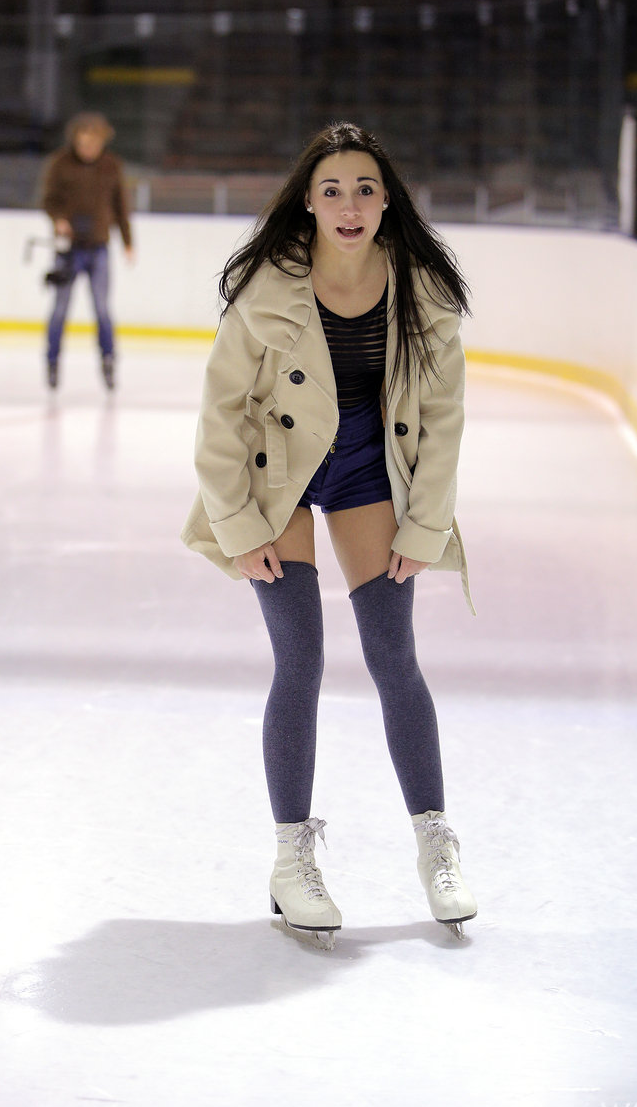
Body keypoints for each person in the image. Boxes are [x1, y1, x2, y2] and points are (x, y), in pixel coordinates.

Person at [181, 122, 477, 948]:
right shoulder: (267, 291)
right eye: (333, 190)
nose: (350, 205)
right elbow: (220, 415)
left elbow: (444, 419)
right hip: (277, 473)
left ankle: (436, 843)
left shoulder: (421, 292)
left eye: (366, 190)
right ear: (309, 202)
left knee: (392, 655)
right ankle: (292, 859)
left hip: (367, 470)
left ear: (387, 203)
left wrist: (426, 520)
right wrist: (238, 522)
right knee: (301, 657)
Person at [41, 112, 134, 390]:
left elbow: (121, 206)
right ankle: (52, 360)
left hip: (98, 248)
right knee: (59, 309)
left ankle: (108, 360)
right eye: (82, 144)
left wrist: (128, 241)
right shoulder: (60, 163)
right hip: (67, 249)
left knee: (102, 309)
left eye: (93, 144)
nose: (87, 150)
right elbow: (48, 200)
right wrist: (59, 219)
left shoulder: (111, 166)